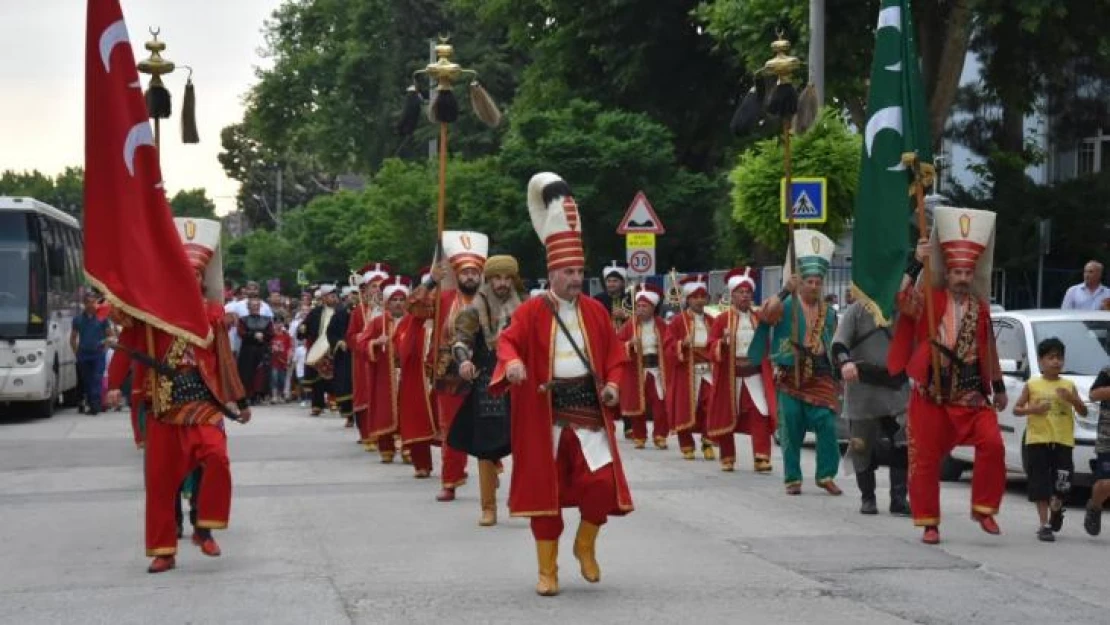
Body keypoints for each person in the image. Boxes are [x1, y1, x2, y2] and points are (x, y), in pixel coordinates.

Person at [491, 172, 633, 597]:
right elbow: (507, 341)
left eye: (580, 270)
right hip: (545, 415)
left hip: (588, 413)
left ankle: (585, 544)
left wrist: (612, 384)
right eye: (568, 271)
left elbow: (616, 357)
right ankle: (547, 569)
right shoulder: (533, 311)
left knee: (601, 485)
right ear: (552, 272)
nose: (576, 277)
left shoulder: (595, 311)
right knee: (545, 493)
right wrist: (513, 364)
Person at [105, 218, 251, 573]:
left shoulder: (212, 315)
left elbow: (224, 360)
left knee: (217, 458)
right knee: (160, 482)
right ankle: (164, 549)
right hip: (165, 406)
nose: (193, 280)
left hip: (204, 402)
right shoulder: (150, 314)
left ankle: (204, 528)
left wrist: (240, 401)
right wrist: (112, 384)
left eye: (198, 275)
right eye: (186, 274)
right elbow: (127, 344)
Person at [888, 207, 1007, 545]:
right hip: (932, 392)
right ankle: (929, 523)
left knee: (993, 444)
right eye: (956, 271)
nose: (962, 277)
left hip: (970, 392)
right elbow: (901, 299)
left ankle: (984, 509)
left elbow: (988, 350)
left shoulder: (980, 308)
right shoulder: (930, 298)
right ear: (947, 273)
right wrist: (916, 261)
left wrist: (996, 385)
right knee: (924, 460)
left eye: (968, 272)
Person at [751, 229, 842, 496]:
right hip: (790, 374)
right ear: (800, 282)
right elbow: (765, 315)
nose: (814, 286)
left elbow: (833, 340)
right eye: (809, 282)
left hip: (819, 375)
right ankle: (792, 477)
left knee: (826, 422)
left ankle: (826, 474)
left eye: (818, 282)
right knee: (790, 424)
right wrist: (783, 291)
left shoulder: (828, 312)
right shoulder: (786, 304)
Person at [406, 231, 491, 502]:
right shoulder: (444, 297)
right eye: (464, 272)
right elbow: (414, 309)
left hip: (483, 374)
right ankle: (450, 481)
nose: (469, 277)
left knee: (491, 425)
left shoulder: (491, 300)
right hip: (449, 375)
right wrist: (431, 281)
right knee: (451, 430)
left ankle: (492, 471)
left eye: (474, 272)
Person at [448, 254, 524, 526]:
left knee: (526, 444)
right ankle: (488, 507)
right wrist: (464, 360)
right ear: (488, 279)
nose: (502, 283)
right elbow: (460, 341)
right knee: (486, 447)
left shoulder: (528, 307)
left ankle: (522, 501)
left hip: (521, 379)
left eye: (507, 278)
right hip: (488, 383)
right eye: (496, 278)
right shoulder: (473, 309)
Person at [833, 296, 910, 516]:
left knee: (902, 444)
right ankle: (868, 497)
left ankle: (898, 499)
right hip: (863, 387)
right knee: (861, 446)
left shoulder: (905, 310)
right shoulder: (856, 311)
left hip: (896, 387)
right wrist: (846, 361)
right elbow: (839, 343)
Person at [1012, 337, 1086, 541]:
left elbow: (1084, 411)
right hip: (1038, 440)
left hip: (1063, 441)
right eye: (1051, 357)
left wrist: (1072, 399)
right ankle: (1043, 525)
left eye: (1060, 357)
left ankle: (1056, 509)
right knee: (1040, 485)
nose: (1056, 362)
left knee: (1063, 484)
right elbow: (1016, 409)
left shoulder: (1069, 385)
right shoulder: (1033, 384)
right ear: (1042, 361)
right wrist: (1033, 409)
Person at [707, 267, 777, 473]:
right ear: (732, 295)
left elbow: (774, 325)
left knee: (760, 413)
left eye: (748, 292)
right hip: (731, 376)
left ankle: (761, 457)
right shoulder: (722, 320)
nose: (745, 295)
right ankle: (727, 457)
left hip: (755, 373)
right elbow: (711, 346)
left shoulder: (759, 318)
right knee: (727, 414)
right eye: (740, 292)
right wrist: (722, 342)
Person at [666, 273, 717, 461]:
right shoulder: (679, 321)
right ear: (687, 299)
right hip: (687, 371)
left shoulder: (712, 320)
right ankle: (686, 444)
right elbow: (668, 345)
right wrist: (681, 344)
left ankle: (708, 440)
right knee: (686, 407)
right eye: (695, 297)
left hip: (708, 371)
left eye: (702, 296)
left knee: (710, 405)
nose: (699, 300)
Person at [395, 268, 440, 478]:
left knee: (451, 423)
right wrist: (431, 282)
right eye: (427, 293)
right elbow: (402, 353)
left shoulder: (448, 314)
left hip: (444, 375)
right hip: (417, 377)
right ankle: (421, 463)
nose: (430, 299)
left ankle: (454, 470)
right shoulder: (410, 322)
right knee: (418, 420)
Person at [359, 275, 409, 463]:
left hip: (406, 375)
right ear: (387, 302)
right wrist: (374, 343)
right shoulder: (378, 323)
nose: (398, 304)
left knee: (407, 412)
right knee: (385, 410)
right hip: (385, 375)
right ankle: (386, 448)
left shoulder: (412, 322)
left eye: (401, 299)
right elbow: (361, 344)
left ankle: (408, 448)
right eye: (394, 300)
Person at [615, 283, 670, 449]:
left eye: (644, 306)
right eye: (638, 306)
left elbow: (670, 344)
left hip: (657, 370)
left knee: (660, 404)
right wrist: (629, 344)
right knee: (637, 404)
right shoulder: (630, 325)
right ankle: (639, 435)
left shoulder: (661, 325)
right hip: (637, 370)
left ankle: (660, 435)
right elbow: (617, 344)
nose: (641, 309)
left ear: (653, 307)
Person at [350, 263, 390, 449]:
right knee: (365, 395)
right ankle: (367, 433)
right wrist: (360, 338)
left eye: (381, 285)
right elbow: (350, 337)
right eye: (374, 285)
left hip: (388, 361)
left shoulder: (391, 311)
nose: (377, 289)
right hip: (364, 360)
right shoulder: (359, 312)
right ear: (366, 289)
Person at [71, 291, 114, 415]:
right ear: (84, 304)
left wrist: (105, 348)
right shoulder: (78, 320)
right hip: (83, 355)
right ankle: (91, 403)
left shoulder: (102, 319)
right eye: (88, 302)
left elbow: (110, 335)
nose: (91, 305)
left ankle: (95, 404)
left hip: (98, 354)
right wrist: (76, 353)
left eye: (93, 302)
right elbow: (73, 338)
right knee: (87, 380)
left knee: (97, 378)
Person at [300, 285, 338, 416]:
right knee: (317, 378)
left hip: (333, 348)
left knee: (334, 376)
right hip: (318, 347)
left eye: (334, 296)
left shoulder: (340, 311)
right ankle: (317, 404)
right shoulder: (315, 312)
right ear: (324, 298)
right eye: (331, 296)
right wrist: (303, 328)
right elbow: (305, 325)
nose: (334, 299)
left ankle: (334, 401)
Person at [1084, 364, 1110, 536]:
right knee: (1106, 483)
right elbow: (1093, 394)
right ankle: (1094, 506)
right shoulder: (1107, 370)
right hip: (1107, 437)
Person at [237, 298, 273, 404]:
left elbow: (271, 333)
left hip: (262, 349)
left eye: (257, 305)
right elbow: (241, 333)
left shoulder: (267, 319)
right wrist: (253, 335)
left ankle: (259, 395)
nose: (255, 307)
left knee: (261, 373)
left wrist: (264, 336)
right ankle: (247, 395)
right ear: (249, 307)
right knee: (246, 373)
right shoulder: (243, 319)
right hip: (248, 350)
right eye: (253, 305)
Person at [270, 320, 294, 403]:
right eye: (276, 323)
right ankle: (274, 396)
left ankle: (280, 395)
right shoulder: (271, 335)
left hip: (283, 361)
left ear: (283, 324)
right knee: (274, 378)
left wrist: (289, 359)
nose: (278, 325)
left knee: (282, 379)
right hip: (273, 360)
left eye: (280, 323)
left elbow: (290, 348)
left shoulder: (286, 336)